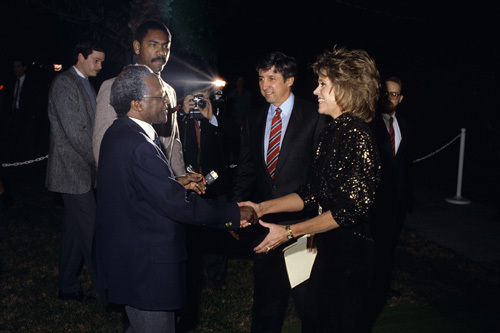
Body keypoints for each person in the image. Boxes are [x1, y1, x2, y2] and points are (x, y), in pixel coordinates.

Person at [92, 64, 257, 333]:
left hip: (129, 260)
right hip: (145, 269)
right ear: (137, 104)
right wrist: (234, 214)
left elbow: (133, 187)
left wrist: (176, 181)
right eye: (159, 96)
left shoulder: (117, 133)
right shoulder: (138, 145)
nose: (168, 102)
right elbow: (177, 205)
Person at [241, 46, 382, 332]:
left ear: (345, 89)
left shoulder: (356, 134)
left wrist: (290, 232)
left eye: (323, 84)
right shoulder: (334, 130)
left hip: (348, 257)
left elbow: (348, 211)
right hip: (327, 250)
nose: (316, 90)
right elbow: (310, 193)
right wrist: (262, 207)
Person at [230, 51, 325, 333]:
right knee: (266, 306)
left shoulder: (314, 115)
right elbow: (246, 168)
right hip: (263, 226)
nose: (264, 85)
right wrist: (234, 209)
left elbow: (322, 178)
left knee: (310, 305)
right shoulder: (255, 117)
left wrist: (319, 226)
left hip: (305, 228)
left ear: (290, 80)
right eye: (261, 78)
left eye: (272, 77)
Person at [45, 41, 105, 302]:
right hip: (70, 172)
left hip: (82, 172)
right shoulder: (64, 83)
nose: (100, 66)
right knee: (92, 233)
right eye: (96, 61)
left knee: (73, 232)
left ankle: (67, 286)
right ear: (81, 57)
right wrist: (98, 160)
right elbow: (75, 132)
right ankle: (110, 295)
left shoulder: (87, 83)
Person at [92, 20, 189, 181]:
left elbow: (174, 142)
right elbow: (102, 145)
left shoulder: (170, 92)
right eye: (154, 45)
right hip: (131, 185)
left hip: (165, 188)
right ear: (137, 47)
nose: (161, 52)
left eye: (166, 46)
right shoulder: (113, 87)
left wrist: (180, 181)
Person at [368, 76, 413, 298]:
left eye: (394, 94)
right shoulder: (371, 123)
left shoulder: (403, 124)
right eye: (386, 93)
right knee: (371, 244)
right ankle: (367, 286)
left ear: (401, 98)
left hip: (396, 200)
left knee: (388, 245)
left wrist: (406, 196)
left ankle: (382, 287)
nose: (389, 98)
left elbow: (404, 164)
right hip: (374, 198)